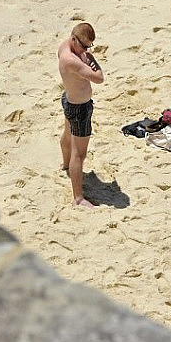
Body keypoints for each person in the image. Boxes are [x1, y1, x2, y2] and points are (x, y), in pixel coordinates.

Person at [58, 22, 104, 208]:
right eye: (84, 46)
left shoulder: (64, 46)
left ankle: (65, 166)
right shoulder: (71, 60)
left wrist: (84, 53)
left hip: (69, 99)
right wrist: (92, 60)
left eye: (89, 46)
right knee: (80, 154)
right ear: (74, 39)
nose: (86, 50)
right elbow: (99, 78)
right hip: (80, 109)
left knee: (67, 135)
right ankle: (78, 198)